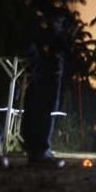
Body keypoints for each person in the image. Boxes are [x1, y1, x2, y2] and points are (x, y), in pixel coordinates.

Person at [20, 18, 66, 166]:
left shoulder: (39, 38)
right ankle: (39, 150)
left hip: (43, 66)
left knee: (39, 103)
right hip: (46, 68)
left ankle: (36, 149)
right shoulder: (46, 45)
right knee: (44, 105)